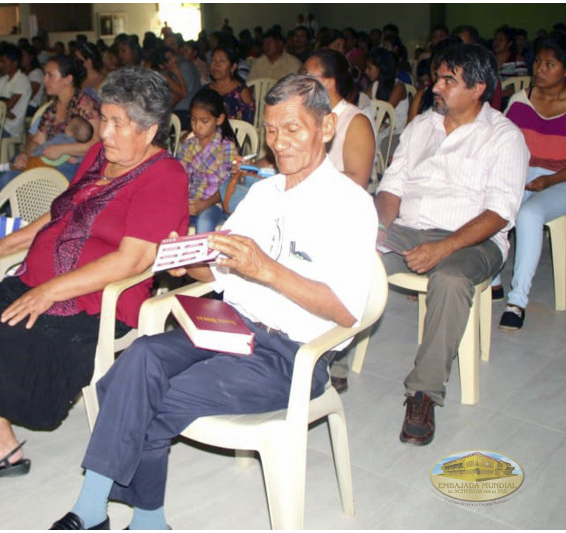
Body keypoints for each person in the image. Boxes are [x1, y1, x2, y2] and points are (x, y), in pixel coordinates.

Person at [48, 74, 377, 531]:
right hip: (230, 325)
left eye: (294, 129)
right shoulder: (263, 193)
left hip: (289, 354)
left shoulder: (351, 205)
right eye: (272, 129)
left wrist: (267, 269)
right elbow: (223, 270)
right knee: (135, 362)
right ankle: (99, 509)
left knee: (154, 398)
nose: (279, 143)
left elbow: (346, 311)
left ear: (325, 128)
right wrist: (187, 262)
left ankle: (143, 519)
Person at [0, 67, 190, 490]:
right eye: (104, 119)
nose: (105, 132)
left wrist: (50, 291)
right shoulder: (101, 155)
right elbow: (64, 210)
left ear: (150, 131)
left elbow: (133, 261)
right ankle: (0, 439)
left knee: (10, 338)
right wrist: (15, 241)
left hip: (97, 300)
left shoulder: (165, 176)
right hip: (43, 279)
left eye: (117, 123)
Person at [330, 44, 528, 445]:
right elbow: (392, 188)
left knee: (452, 280)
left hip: (474, 238)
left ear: (478, 89)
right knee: (351, 257)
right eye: (436, 77)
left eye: (447, 80)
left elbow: (499, 213)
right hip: (409, 227)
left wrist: (443, 248)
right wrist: (380, 227)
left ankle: (423, 392)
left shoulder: (505, 137)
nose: (435, 86)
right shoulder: (423, 126)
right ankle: (331, 357)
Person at [495, 34, 566, 331]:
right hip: (525, 176)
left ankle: (517, 301)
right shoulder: (520, 100)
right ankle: (493, 281)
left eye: (549, 64)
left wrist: (550, 180)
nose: (539, 69)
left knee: (529, 214)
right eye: (537, 62)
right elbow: (505, 145)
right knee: (493, 204)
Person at [0, 55, 100, 189]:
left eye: (50, 75)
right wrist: (24, 154)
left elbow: (96, 144)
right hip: (49, 160)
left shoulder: (86, 105)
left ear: (68, 79)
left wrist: (61, 150)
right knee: (6, 175)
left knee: (13, 182)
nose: (44, 80)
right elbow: (37, 141)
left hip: (74, 164)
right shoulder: (51, 109)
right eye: (45, 75)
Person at [303, 49, 376, 188]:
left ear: (328, 82)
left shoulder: (356, 122)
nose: (299, 82)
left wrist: (306, 176)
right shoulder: (305, 113)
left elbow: (358, 180)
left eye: (307, 76)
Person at [175, 87, 239, 234]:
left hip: (214, 203)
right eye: (193, 120)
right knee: (169, 218)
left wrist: (205, 204)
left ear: (219, 119)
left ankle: (204, 257)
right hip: (190, 202)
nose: (197, 126)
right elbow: (180, 176)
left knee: (204, 222)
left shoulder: (226, 146)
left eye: (204, 121)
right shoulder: (189, 145)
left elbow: (227, 184)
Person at [364, 48, 408, 138]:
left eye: (369, 68)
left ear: (381, 68)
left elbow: (383, 114)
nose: (366, 71)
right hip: (377, 129)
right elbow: (361, 104)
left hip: (394, 134)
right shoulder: (374, 86)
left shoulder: (399, 87)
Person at [204, 47, 254, 124]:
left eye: (222, 61)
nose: (216, 65)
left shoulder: (242, 92)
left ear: (233, 67)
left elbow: (248, 125)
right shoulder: (205, 91)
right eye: (213, 60)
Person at [0, 45, 32, 139]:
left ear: (14, 63)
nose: (0, 65)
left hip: (10, 127)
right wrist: (6, 112)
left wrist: (1, 108)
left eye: (4, 62)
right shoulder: (0, 81)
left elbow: (9, 105)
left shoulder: (22, 81)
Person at [21, 44, 45, 117]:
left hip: (32, 105)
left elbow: (30, 94)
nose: (21, 59)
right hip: (23, 103)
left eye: (23, 56)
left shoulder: (36, 73)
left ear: (31, 57)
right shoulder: (22, 72)